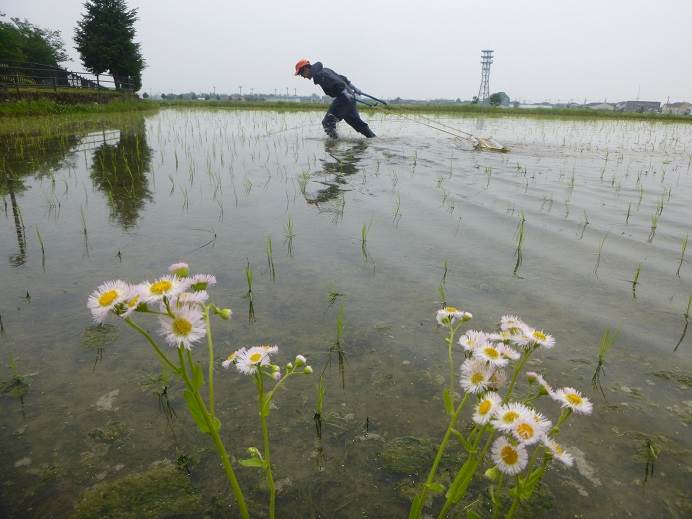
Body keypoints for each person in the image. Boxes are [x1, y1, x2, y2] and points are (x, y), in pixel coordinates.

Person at [294, 59, 376, 139]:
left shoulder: (318, 74)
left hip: (344, 97)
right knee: (357, 123)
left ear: (305, 69)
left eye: (301, 74)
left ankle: (334, 144)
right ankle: (373, 138)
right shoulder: (325, 70)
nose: (303, 77)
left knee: (327, 123)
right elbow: (341, 78)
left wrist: (345, 93)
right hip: (349, 96)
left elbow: (337, 82)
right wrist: (354, 88)